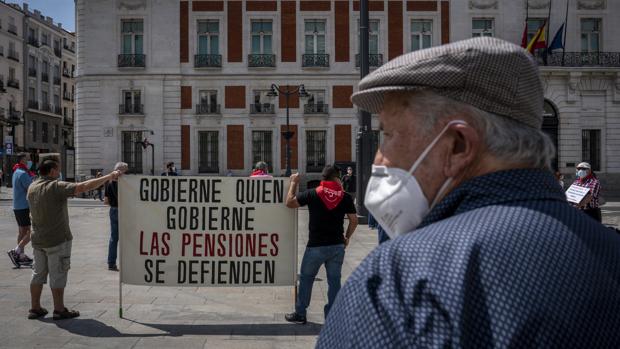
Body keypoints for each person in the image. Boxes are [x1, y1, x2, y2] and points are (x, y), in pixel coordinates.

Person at [317, 37, 620, 347]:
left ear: (458, 146)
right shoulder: (612, 254)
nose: (379, 159)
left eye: (389, 135)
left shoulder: (398, 281)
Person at [27, 158, 122, 320]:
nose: (59, 173)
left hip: (37, 239)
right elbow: (83, 187)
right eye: (58, 170)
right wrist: (108, 177)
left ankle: (34, 307)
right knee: (58, 274)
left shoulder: (32, 186)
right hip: (57, 239)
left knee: (37, 274)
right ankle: (59, 309)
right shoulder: (56, 186)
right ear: (51, 171)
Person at [284, 165, 358, 324]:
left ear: (323, 178)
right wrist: (347, 237)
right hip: (337, 246)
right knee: (334, 281)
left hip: (315, 246)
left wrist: (294, 183)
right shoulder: (344, 197)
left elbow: (289, 203)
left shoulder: (313, 193)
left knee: (306, 278)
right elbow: (354, 220)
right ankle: (332, 316)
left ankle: (301, 313)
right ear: (336, 178)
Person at [7, 153, 35, 268]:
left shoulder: (16, 171)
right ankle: (16, 251)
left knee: (22, 231)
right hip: (24, 206)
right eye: (28, 159)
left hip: (17, 206)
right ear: (23, 160)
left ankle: (20, 255)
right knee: (31, 231)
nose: (30, 161)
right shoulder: (23, 174)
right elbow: (31, 189)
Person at [104, 162, 128, 271]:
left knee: (114, 238)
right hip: (124, 211)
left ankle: (111, 263)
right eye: (125, 171)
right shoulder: (126, 184)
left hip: (113, 210)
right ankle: (128, 262)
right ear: (121, 172)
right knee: (128, 238)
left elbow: (106, 201)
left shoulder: (109, 184)